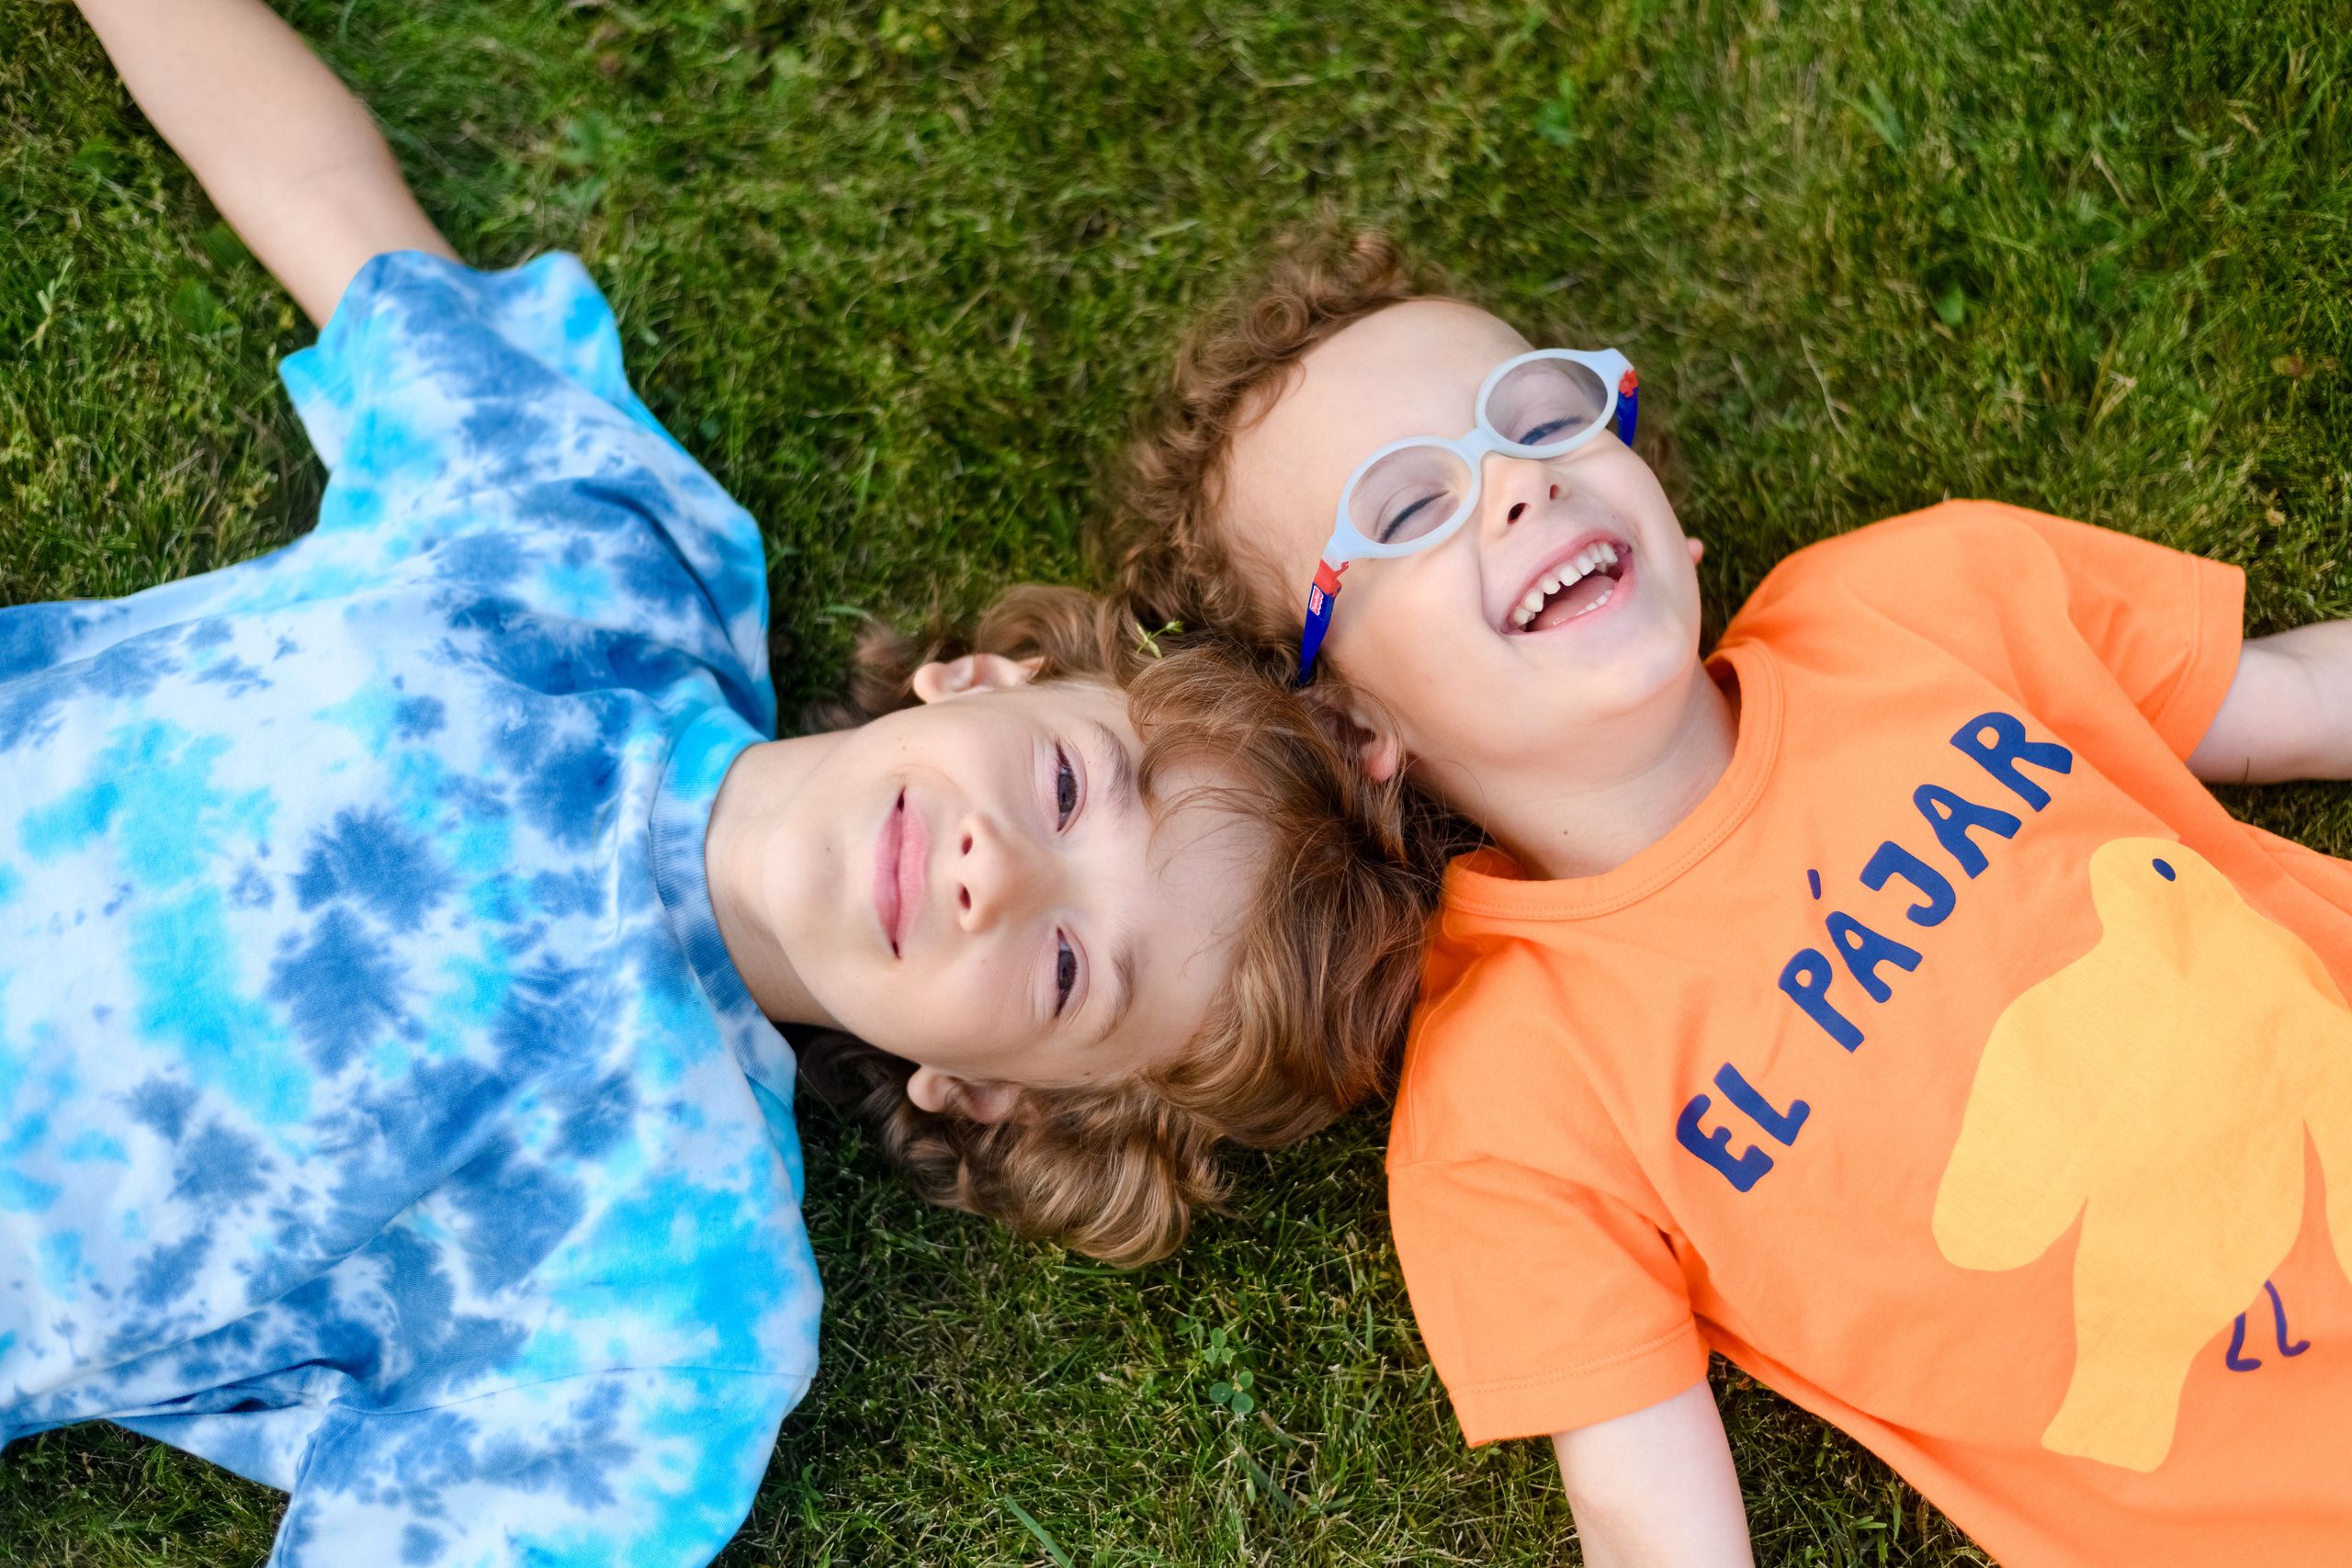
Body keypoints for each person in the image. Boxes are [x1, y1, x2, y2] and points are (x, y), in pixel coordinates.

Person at [0, 11, 1439, 1564]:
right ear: (993, 677)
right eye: (1076, 791)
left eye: (1073, 965)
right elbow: (332, 206)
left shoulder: (669, 1298)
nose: (999, 873)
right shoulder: (593, 559)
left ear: (996, 1097)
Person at [1103, 230, 2352, 1567]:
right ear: (1357, 727)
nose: (1520, 481)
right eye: (1408, 511)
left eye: (1542, 414)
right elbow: (1655, 1531)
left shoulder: (1919, 604)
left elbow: (2298, 699)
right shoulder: (1505, 1105)